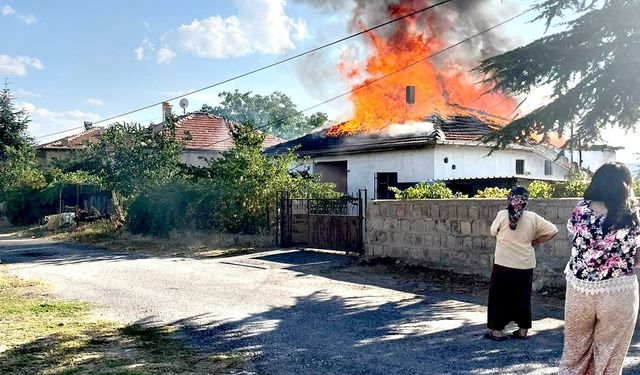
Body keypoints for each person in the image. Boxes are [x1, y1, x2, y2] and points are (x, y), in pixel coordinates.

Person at [559, 163, 640, 374]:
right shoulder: (633, 215)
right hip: (619, 290)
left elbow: (575, 238)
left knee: (574, 354)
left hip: (580, 289)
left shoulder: (581, 209)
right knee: (609, 360)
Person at [484, 186, 558, 341]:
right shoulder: (533, 217)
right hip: (525, 264)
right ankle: (523, 330)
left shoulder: (502, 215)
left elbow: (492, 231)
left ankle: (497, 331)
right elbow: (553, 230)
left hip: (503, 263)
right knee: (522, 297)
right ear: (526, 201)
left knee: (499, 296)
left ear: (510, 199)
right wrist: (536, 240)